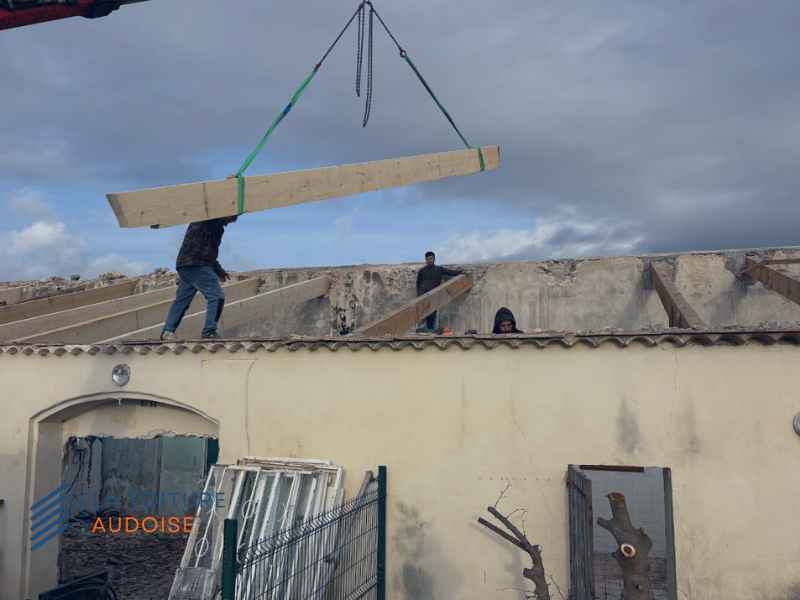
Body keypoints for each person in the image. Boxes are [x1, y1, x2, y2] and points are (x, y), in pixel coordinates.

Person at [161, 216, 237, 340]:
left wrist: (219, 270)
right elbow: (208, 254)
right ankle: (209, 331)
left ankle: (167, 332)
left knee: (181, 301)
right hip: (198, 265)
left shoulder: (212, 225)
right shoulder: (207, 220)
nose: (233, 220)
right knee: (216, 296)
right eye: (233, 217)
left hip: (184, 266)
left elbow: (209, 252)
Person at [416, 251, 464, 330]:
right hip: (423, 297)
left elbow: (450, 272)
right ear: (425, 260)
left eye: (431, 258)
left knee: (432, 317)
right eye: (428, 259)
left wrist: (460, 272)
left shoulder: (439, 269)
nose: (429, 260)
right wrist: (419, 296)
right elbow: (418, 284)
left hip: (434, 297)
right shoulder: (422, 271)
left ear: (434, 259)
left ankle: (430, 333)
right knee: (422, 318)